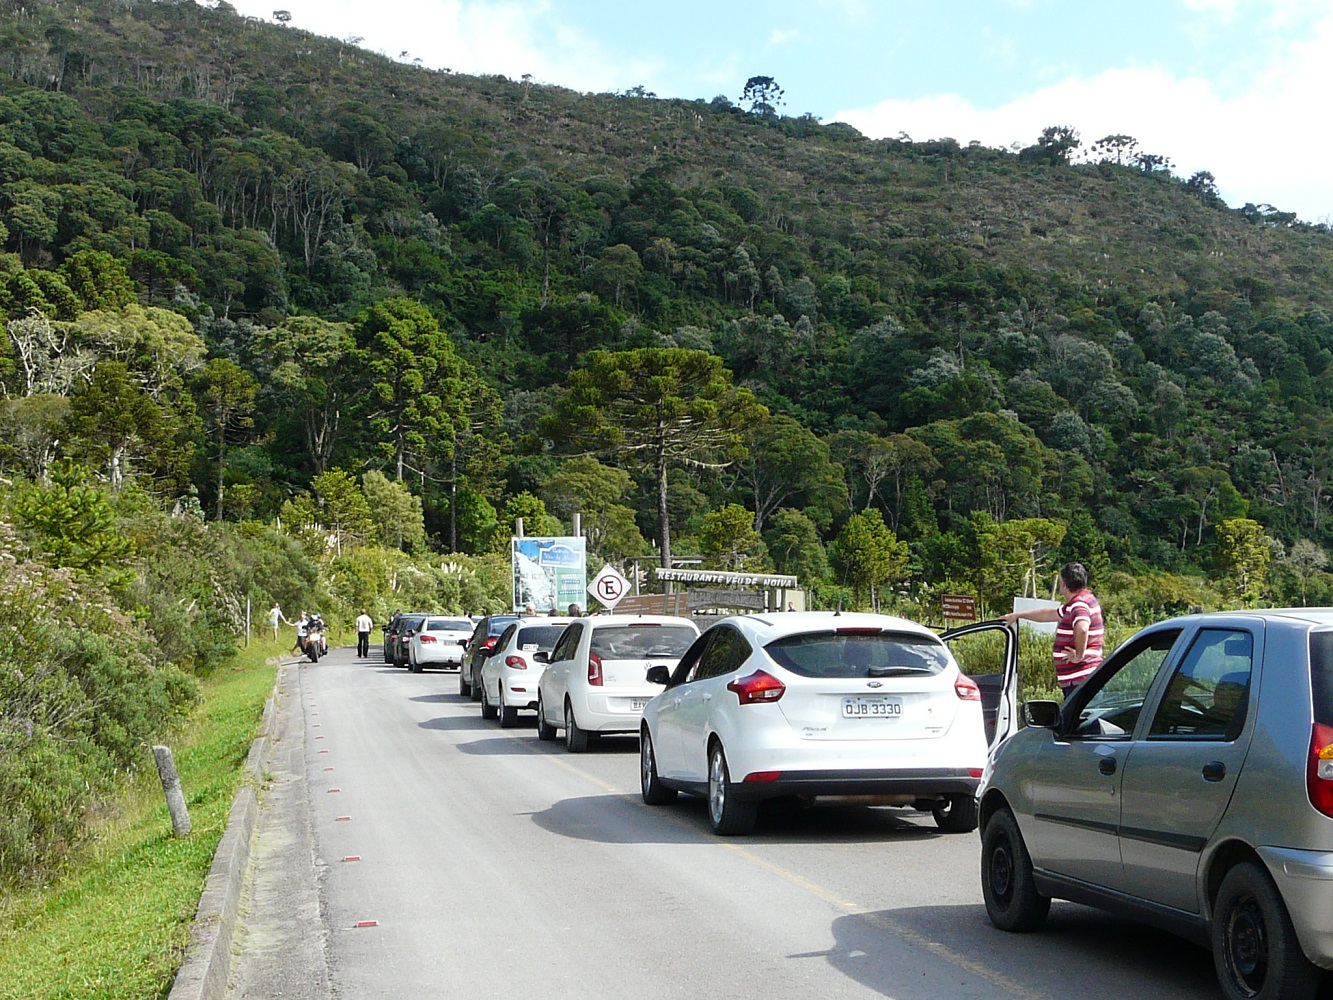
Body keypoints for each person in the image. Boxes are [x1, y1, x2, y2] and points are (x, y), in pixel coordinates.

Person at [1003, 562, 1104, 694]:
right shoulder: (1085, 600)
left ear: (1063, 583)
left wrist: (1079, 656)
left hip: (1080, 680)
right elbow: (1050, 613)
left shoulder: (1078, 605)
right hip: (1085, 679)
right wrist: (1020, 615)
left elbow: (1082, 628)